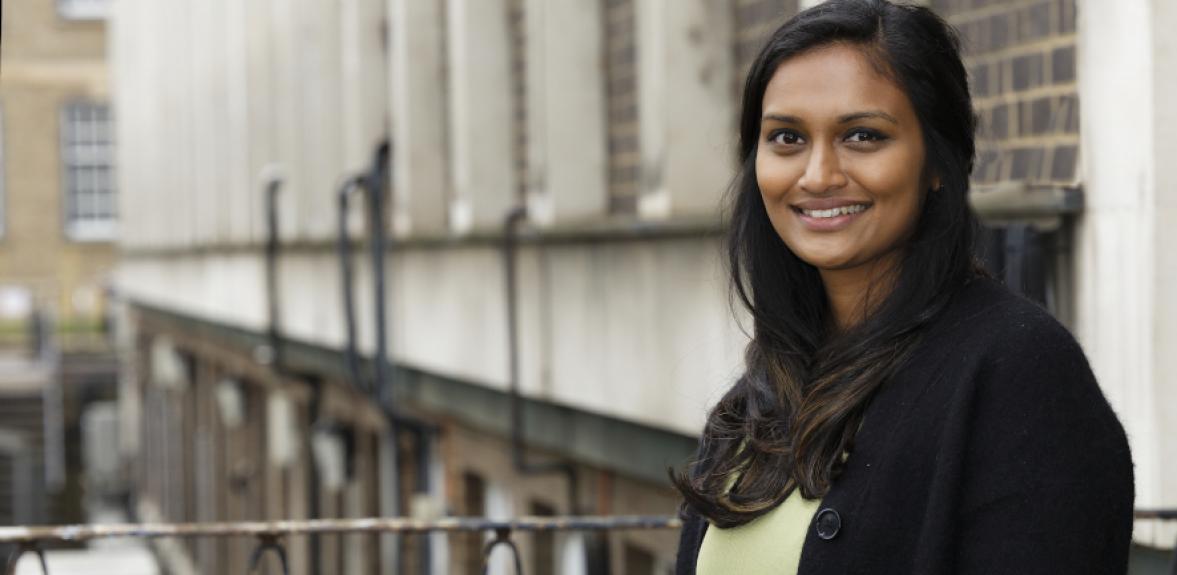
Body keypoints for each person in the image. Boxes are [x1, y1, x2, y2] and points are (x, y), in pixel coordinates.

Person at [671, 1, 1134, 573]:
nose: (817, 175)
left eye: (863, 135)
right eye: (787, 137)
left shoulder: (1018, 375)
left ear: (938, 160)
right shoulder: (763, 392)